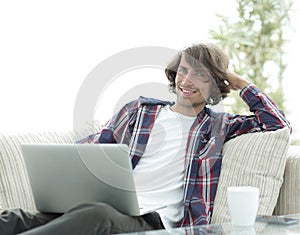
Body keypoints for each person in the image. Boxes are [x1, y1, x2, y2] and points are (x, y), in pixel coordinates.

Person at [0, 43, 291, 235]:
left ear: (215, 85)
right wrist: (59, 169)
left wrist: (240, 83)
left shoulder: (220, 125)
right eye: (184, 70)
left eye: (200, 75)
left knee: (96, 215)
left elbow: (276, 122)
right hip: (107, 206)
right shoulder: (139, 110)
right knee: (13, 218)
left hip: (155, 221)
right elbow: (93, 148)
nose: (186, 81)